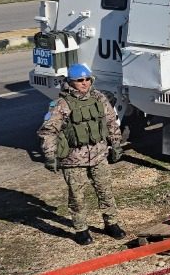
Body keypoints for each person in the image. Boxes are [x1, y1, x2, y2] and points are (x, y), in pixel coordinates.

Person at [38, 63, 126, 246]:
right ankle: (81, 229)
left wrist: (116, 143)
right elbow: (48, 131)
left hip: (99, 155)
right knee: (77, 197)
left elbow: (111, 121)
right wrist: (50, 155)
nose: (84, 83)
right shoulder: (61, 104)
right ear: (71, 82)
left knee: (105, 191)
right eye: (80, 80)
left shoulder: (98, 98)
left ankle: (111, 223)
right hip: (73, 160)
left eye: (87, 79)